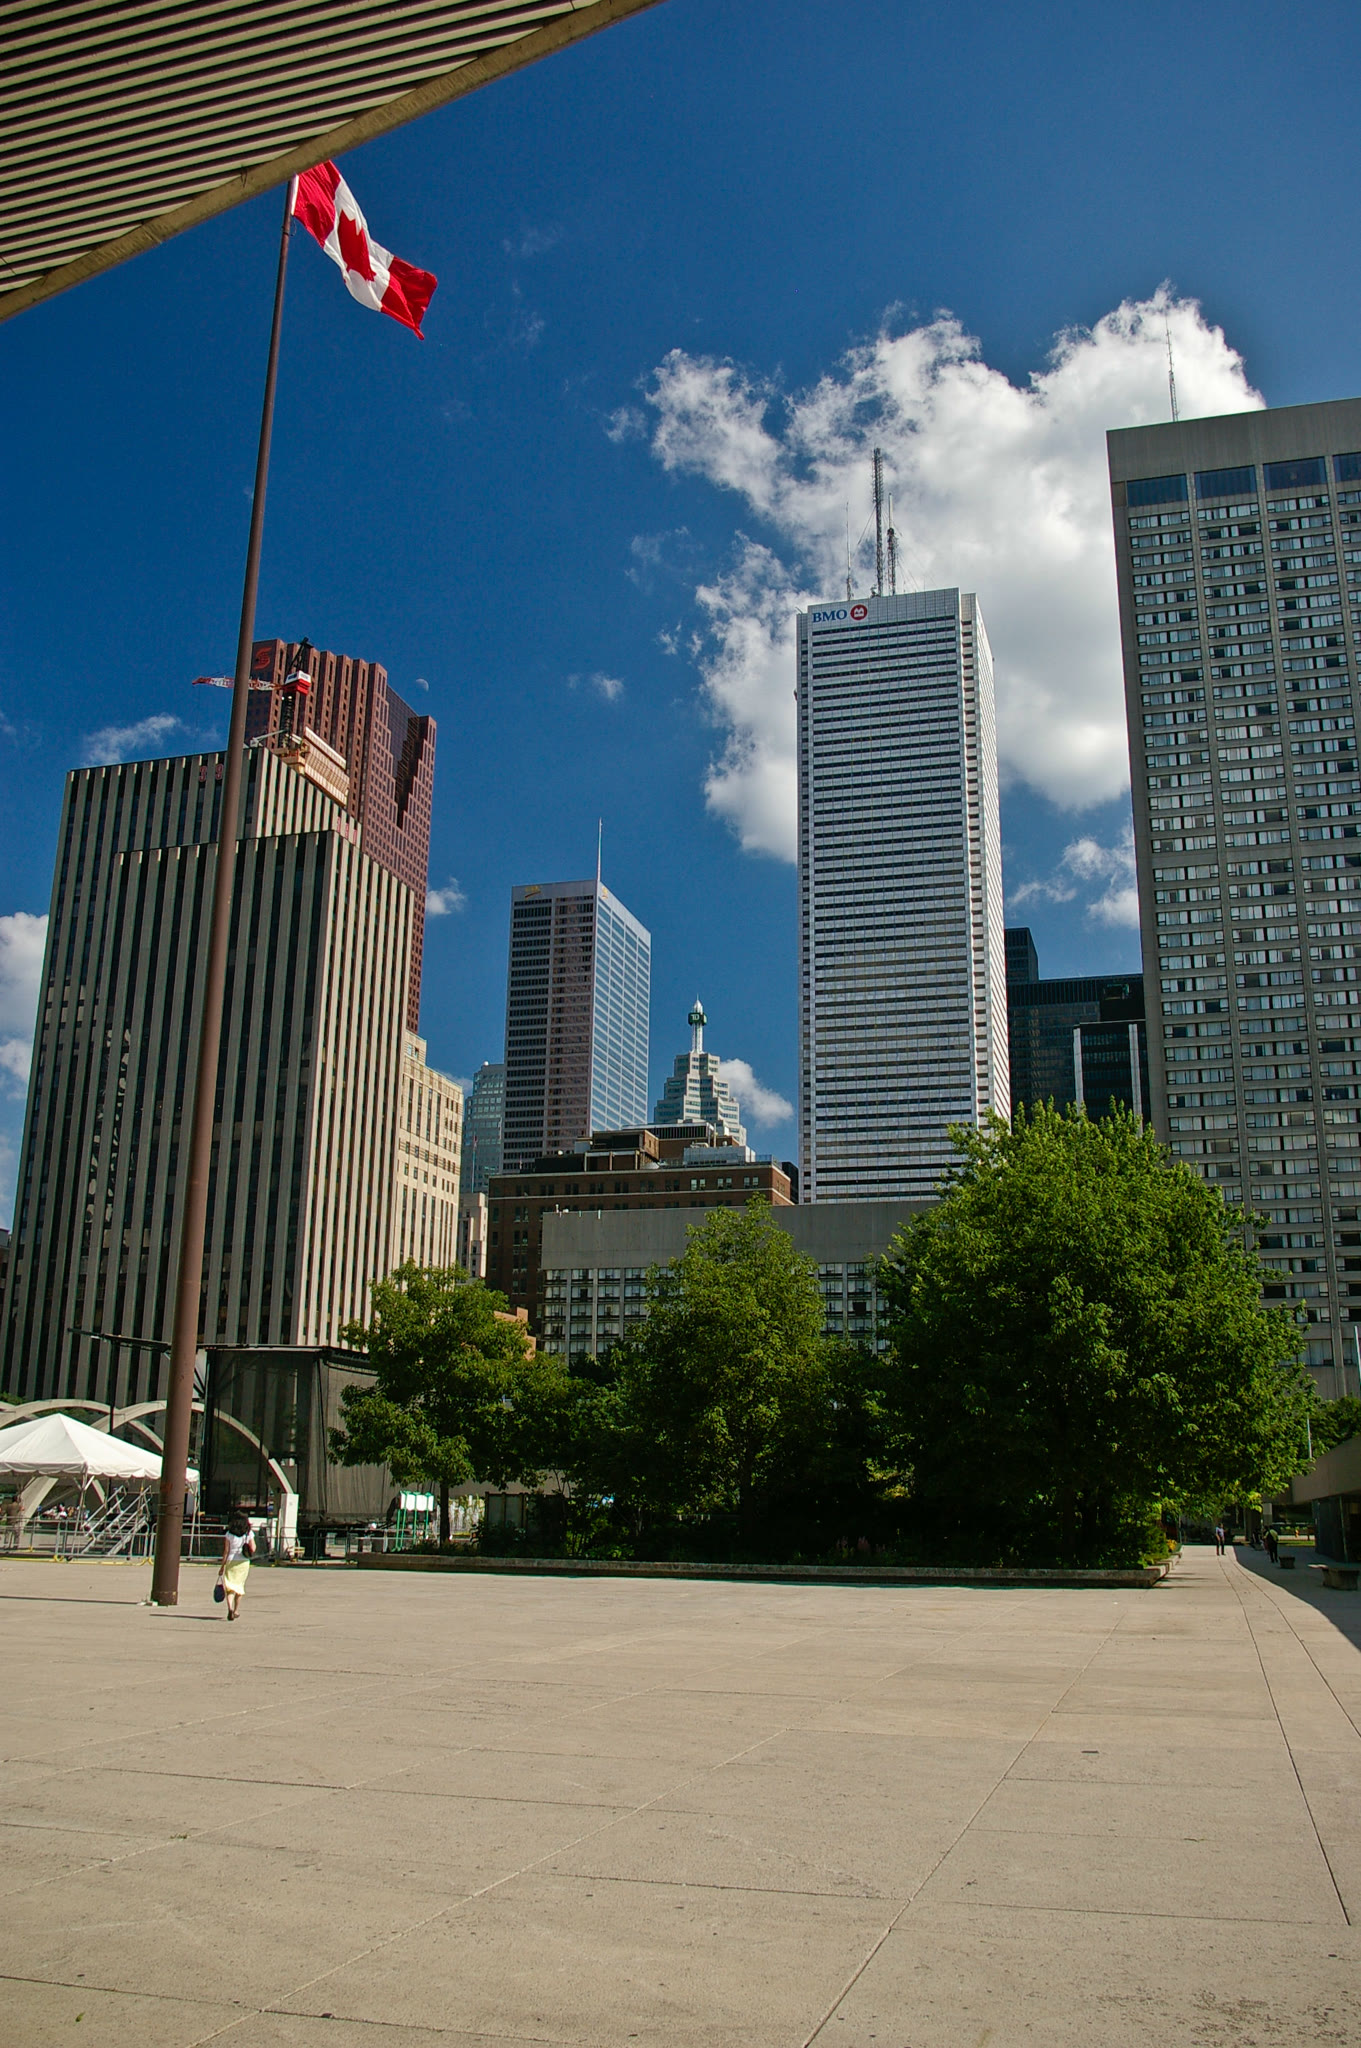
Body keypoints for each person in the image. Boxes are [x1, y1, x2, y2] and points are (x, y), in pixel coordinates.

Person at [218, 1510, 256, 1620]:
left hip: (231, 1561)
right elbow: (253, 1548)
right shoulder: (248, 1533)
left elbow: (226, 1551)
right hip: (243, 1562)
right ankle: (235, 1610)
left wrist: (222, 1567)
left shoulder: (229, 1534)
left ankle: (230, 1608)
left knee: (230, 1587)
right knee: (239, 1586)